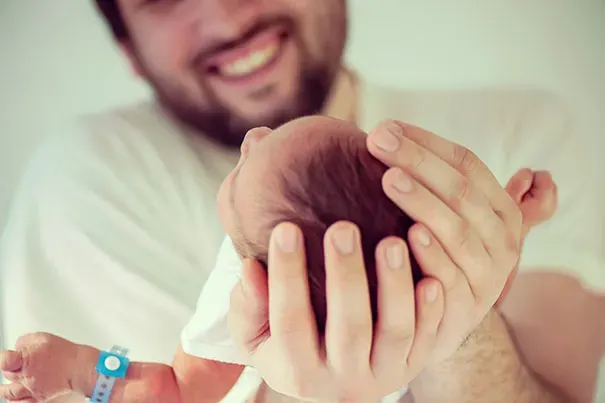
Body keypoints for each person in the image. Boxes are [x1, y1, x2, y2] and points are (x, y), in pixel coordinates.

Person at [0, 0, 602, 401]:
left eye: (252, 159)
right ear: (128, 48)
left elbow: (166, 392)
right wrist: (517, 214)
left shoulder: (242, 289)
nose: (223, 9)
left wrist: (467, 332)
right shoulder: (90, 178)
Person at [0, 115, 558, 403]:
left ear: (272, 272)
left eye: (250, 160)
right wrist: (512, 223)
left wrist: (493, 242)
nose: (254, 137)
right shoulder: (249, 260)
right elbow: (169, 387)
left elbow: (471, 299)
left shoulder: (249, 276)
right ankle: (79, 368)